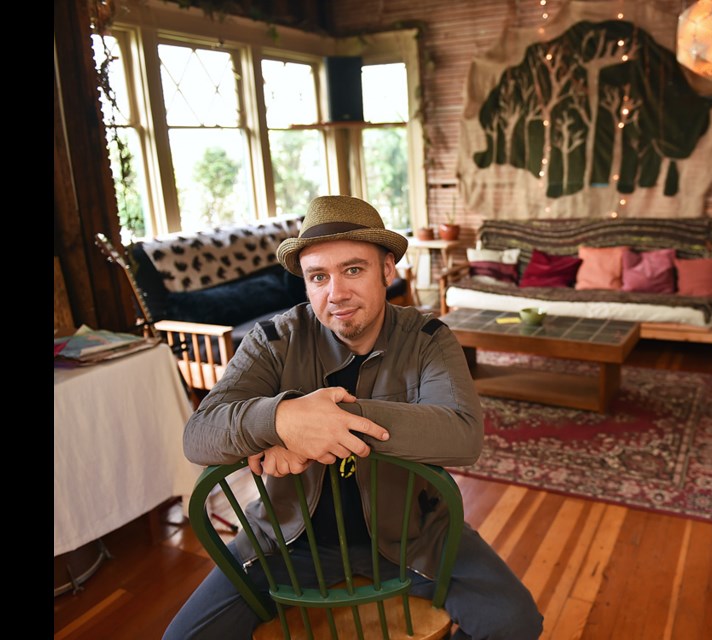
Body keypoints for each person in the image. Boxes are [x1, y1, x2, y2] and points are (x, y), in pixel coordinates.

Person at [164, 195, 543, 640]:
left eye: (353, 270)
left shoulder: (428, 340)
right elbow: (199, 435)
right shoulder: (272, 340)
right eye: (318, 277)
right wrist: (283, 418)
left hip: (415, 535)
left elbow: (462, 434)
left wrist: (319, 422)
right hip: (289, 543)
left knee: (515, 622)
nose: (335, 293)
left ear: (387, 269)